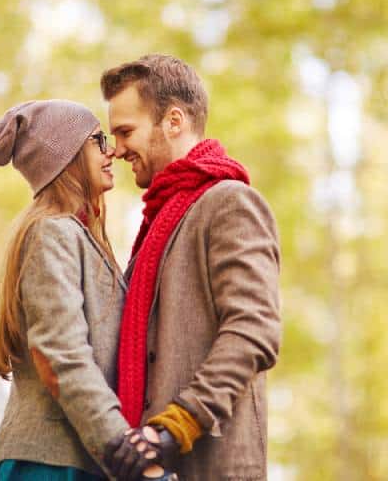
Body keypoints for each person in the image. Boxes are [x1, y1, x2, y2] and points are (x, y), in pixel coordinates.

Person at [101, 55, 282, 481]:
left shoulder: (229, 203)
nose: (118, 149)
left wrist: (176, 425)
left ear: (174, 121)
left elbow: (254, 330)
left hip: (211, 465)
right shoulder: (156, 223)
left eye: (126, 132)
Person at [0, 99, 172, 481]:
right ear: (66, 156)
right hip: (48, 465)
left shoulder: (80, 238)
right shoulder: (52, 233)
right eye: (98, 140)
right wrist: (129, 455)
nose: (112, 150)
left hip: (80, 461)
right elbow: (61, 358)